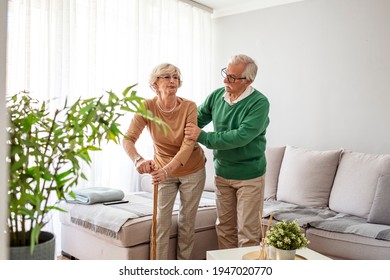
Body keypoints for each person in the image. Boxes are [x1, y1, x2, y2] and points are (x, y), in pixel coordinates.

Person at [184, 54, 270, 249]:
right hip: (222, 173)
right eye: (226, 73)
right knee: (224, 228)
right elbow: (196, 119)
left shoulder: (259, 103)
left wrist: (203, 137)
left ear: (248, 80)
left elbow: (241, 136)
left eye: (232, 77)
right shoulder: (217, 96)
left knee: (248, 233)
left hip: (249, 177)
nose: (225, 80)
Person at [123, 63, 206, 260]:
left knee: (186, 222)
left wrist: (167, 171)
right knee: (161, 222)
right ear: (155, 84)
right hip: (163, 171)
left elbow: (188, 146)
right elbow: (128, 139)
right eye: (167, 77)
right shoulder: (147, 107)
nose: (172, 81)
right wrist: (138, 160)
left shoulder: (189, 107)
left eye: (176, 77)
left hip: (192, 169)